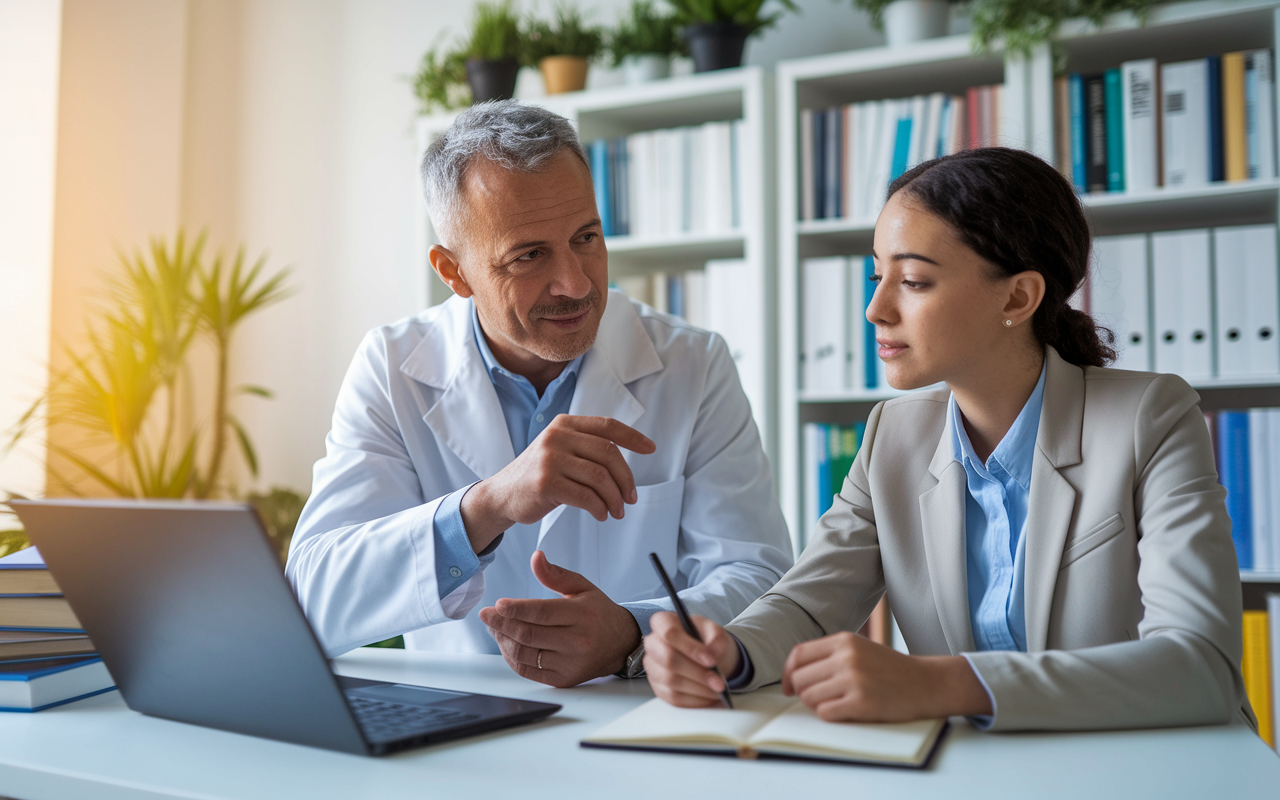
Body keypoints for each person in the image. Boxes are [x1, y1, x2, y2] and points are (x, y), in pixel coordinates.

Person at [644, 147, 1251, 731]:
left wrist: (940, 684)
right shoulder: (893, 436)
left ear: (1017, 296)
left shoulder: (1149, 416)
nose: (874, 309)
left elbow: (1201, 665)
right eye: (877, 275)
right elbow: (807, 605)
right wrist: (730, 651)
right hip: (973, 769)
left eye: (912, 281)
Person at [285, 100, 793, 688]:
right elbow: (314, 596)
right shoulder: (393, 366)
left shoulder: (692, 363)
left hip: (635, 726)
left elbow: (760, 580)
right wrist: (489, 505)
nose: (575, 283)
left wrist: (632, 635)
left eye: (586, 237)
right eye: (529, 255)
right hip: (459, 731)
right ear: (455, 272)